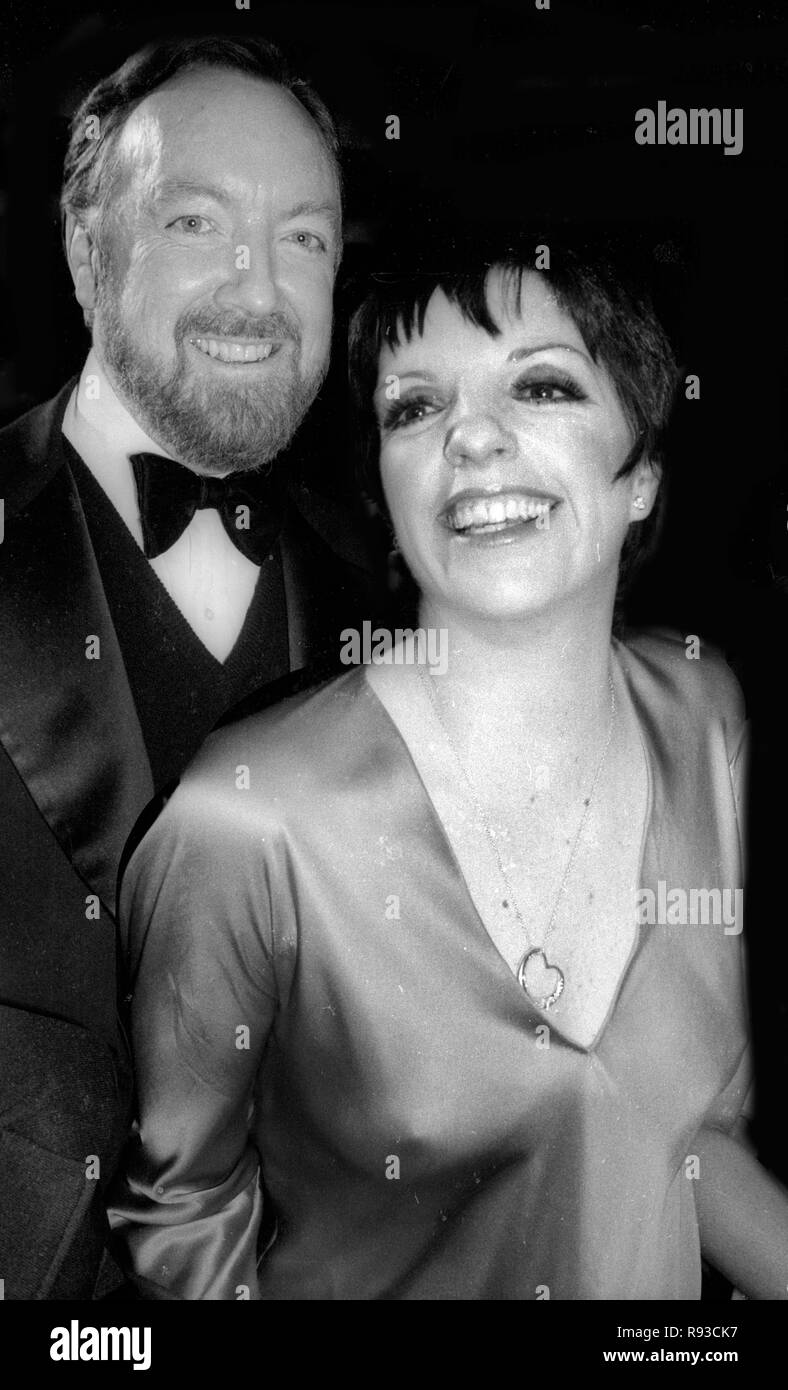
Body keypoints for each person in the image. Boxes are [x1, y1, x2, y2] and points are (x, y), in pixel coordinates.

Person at [108, 237, 788, 1299]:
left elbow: (678, 1138)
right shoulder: (246, 824)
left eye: (542, 385)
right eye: (414, 408)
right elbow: (181, 1213)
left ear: (641, 473)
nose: (469, 435)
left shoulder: (703, 717)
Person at [0, 34, 379, 1300]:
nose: (254, 288)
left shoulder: (393, 594)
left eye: (304, 238)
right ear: (85, 248)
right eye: (195, 219)